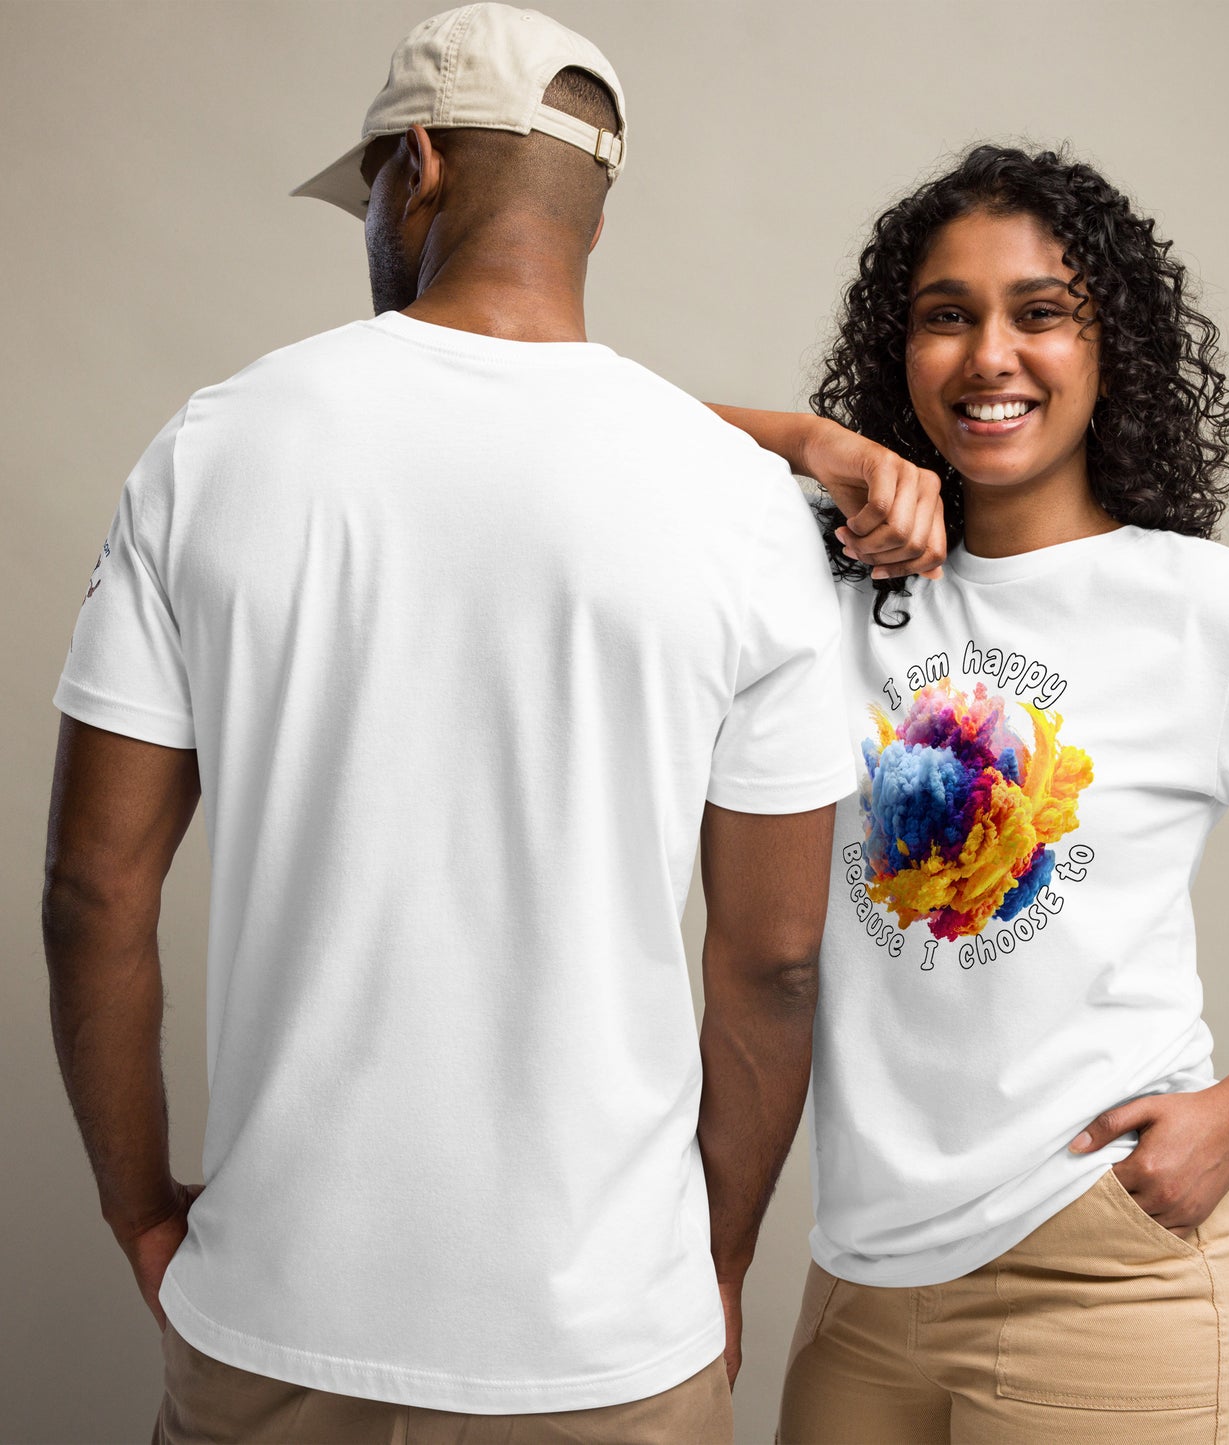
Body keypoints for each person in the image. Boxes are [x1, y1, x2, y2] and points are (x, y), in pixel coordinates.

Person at [40, 6, 858, 1442]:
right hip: (606, 1341)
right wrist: (710, 1266)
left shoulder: (216, 447)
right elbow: (773, 961)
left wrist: (139, 1211)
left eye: (364, 186)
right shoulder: (739, 506)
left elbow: (93, 887)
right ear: (593, 215)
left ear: (412, 169)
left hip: (275, 1316)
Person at [713, 143, 1229, 1443]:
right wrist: (812, 444)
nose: (990, 354)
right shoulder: (818, 586)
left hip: (1107, 1273)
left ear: (1113, 348)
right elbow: (588, 435)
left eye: (1039, 312)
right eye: (947, 316)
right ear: (900, 348)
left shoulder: (1205, 612)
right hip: (860, 1283)